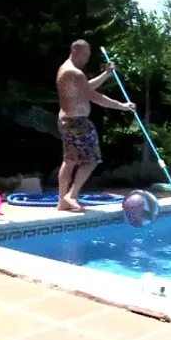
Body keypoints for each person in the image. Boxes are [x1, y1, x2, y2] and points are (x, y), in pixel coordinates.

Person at [55, 39, 135, 212]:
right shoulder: (75, 73)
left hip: (68, 121)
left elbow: (85, 87)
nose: (86, 59)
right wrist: (122, 106)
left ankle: (62, 201)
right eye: (84, 55)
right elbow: (94, 96)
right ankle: (72, 195)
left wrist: (105, 75)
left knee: (69, 161)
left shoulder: (65, 69)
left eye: (88, 56)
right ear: (74, 51)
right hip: (78, 123)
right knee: (92, 160)